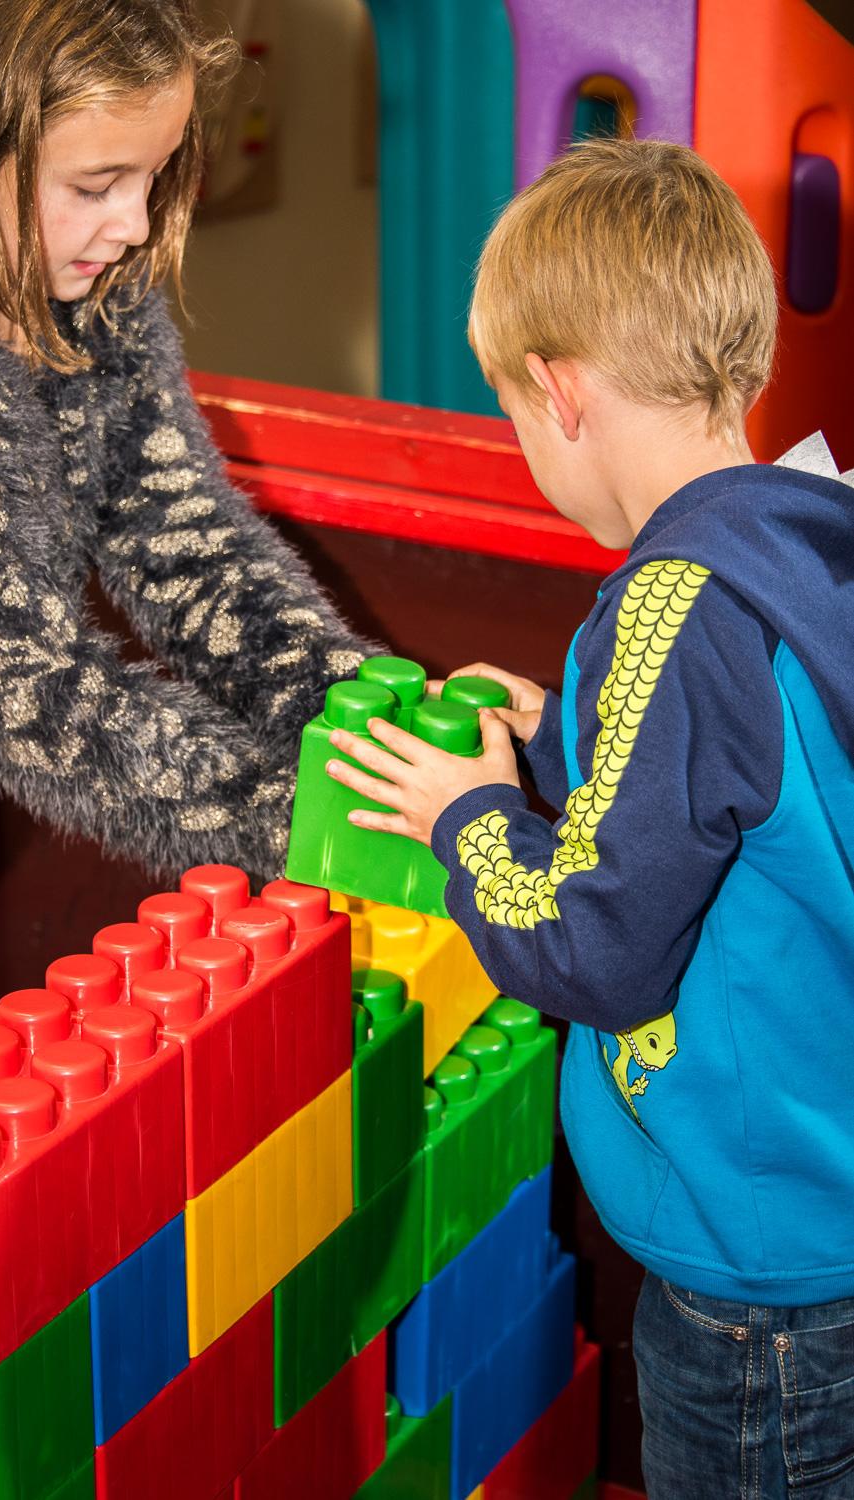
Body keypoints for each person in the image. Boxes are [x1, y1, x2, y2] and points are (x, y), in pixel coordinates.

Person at [326, 138, 854, 1499]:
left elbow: (593, 951)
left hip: (753, 1285)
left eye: (510, 412)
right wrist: (572, 733)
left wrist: (471, 815)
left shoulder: (669, 606)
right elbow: (755, 782)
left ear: (557, 391)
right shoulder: (805, 540)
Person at [0, 0, 368, 1097]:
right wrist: (313, 820)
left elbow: (189, 546)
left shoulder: (91, 292)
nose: (133, 223)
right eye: (95, 185)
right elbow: (16, 682)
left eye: (155, 175)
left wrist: (359, 718)